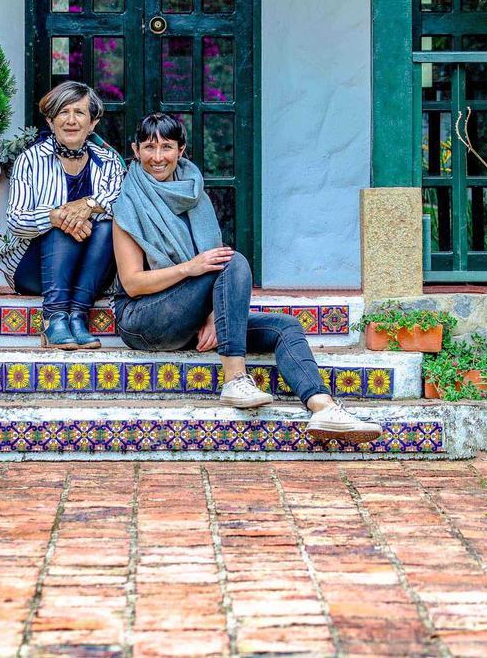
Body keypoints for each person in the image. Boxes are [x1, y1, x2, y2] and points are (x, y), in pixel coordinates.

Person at [110, 113, 382, 443]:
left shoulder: (194, 196)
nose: (157, 157)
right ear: (135, 151)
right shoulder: (128, 204)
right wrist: (188, 268)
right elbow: (133, 283)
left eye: (166, 147)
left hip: (191, 315)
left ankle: (322, 406)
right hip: (143, 319)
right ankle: (235, 378)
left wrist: (213, 316)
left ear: (181, 151)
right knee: (231, 262)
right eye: (149, 148)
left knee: (285, 327)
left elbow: (212, 268)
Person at [0, 81, 125, 350]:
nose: (71, 120)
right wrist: (56, 216)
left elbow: (123, 205)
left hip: (90, 272)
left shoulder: (110, 162)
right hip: (35, 270)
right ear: (50, 120)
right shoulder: (30, 160)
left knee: (107, 225)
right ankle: (54, 318)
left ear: (92, 123)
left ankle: (77, 316)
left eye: (79, 112)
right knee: (61, 223)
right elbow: (16, 220)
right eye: (62, 112)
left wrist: (89, 205)